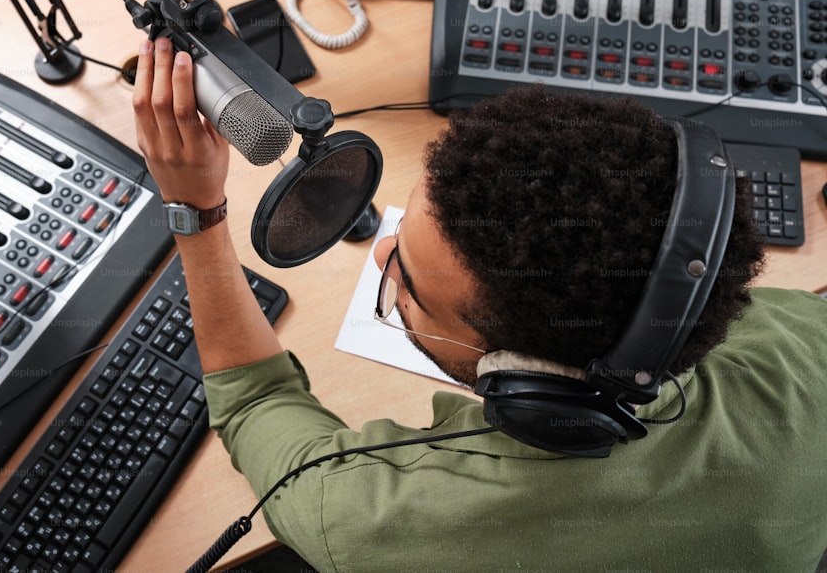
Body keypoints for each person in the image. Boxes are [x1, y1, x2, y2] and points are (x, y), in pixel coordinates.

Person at [132, 37, 827, 571]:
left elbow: (254, 405)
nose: (378, 255)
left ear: (521, 379)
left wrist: (194, 207)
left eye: (410, 284)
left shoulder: (380, 518)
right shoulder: (805, 338)